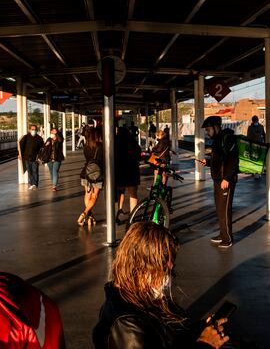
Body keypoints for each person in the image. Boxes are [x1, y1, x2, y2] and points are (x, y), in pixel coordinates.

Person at [93, 222, 230, 349]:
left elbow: (169, 335)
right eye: (166, 271)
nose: (170, 277)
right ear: (141, 269)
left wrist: (199, 329)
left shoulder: (143, 296)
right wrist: (205, 345)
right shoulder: (127, 324)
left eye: (172, 270)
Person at [200, 116, 239, 249]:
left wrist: (227, 178)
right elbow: (220, 161)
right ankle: (222, 234)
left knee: (225, 210)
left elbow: (232, 160)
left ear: (216, 128)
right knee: (219, 210)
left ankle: (227, 239)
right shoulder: (217, 140)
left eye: (208, 129)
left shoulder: (227, 139)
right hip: (218, 181)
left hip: (225, 182)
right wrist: (208, 162)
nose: (207, 132)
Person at [77, 127, 103, 226]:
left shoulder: (86, 147)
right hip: (97, 174)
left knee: (87, 195)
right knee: (94, 196)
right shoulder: (101, 147)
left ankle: (90, 217)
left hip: (86, 173)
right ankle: (84, 214)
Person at [115, 126, 141, 224]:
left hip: (120, 169)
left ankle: (119, 209)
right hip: (132, 169)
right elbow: (139, 154)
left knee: (120, 192)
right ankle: (132, 215)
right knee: (133, 194)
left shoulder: (116, 141)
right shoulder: (132, 141)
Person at [19, 124, 44, 190]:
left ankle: (35, 184)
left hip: (35, 158)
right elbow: (21, 146)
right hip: (26, 157)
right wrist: (19, 154)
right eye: (32, 129)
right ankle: (32, 184)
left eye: (35, 129)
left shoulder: (39, 138)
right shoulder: (25, 137)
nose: (34, 130)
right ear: (29, 130)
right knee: (29, 171)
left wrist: (40, 156)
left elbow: (42, 148)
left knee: (35, 171)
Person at [247, 115, 265, 179]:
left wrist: (264, 144)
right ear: (253, 121)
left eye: (256, 121)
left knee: (259, 159)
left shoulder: (261, 127)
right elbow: (248, 137)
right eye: (255, 121)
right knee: (254, 159)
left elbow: (264, 135)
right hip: (253, 146)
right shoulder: (250, 128)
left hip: (260, 145)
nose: (256, 122)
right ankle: (255, 172)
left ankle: (258, 172)